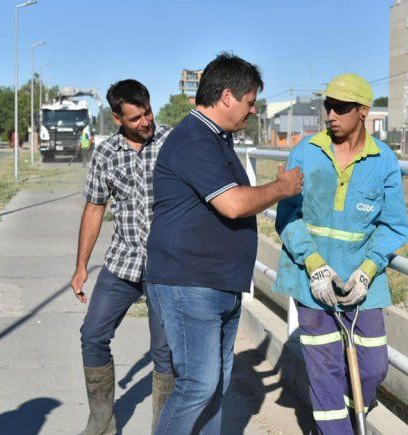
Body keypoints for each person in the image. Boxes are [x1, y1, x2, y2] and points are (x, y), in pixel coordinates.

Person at [145, 52, 302, 434]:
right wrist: (282, 187)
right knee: (197, 385)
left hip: (217, 283)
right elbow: (232, 204)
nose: (252, 112)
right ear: (227, 96)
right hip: (190, 283)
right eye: (250, 103)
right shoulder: (194, 140)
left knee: (215, 387)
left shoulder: (216, 140)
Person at [273, 73, 408, 434]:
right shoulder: (306, 152)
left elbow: (394, 226)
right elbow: (288, 215)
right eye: (327, 106)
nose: (330, 114)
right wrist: (314, 265)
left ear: (363, 111)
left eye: (341, 108)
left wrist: (367, 270)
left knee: (372, 368)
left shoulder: (383, 161)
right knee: (326, 374)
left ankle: (351, 420)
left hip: (363, 285)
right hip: (312, 282)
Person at [69, 79, 174, 435]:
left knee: (165, 354)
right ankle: (102, 420)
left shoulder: (171, 143)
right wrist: (81, 265)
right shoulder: (105, 154)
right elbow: (95, 208)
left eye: (147, 112)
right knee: (92, 335)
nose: (146, 122)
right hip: (122, 261)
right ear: (117, 118)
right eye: (135, 118)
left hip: (167, 267)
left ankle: (164, 428)